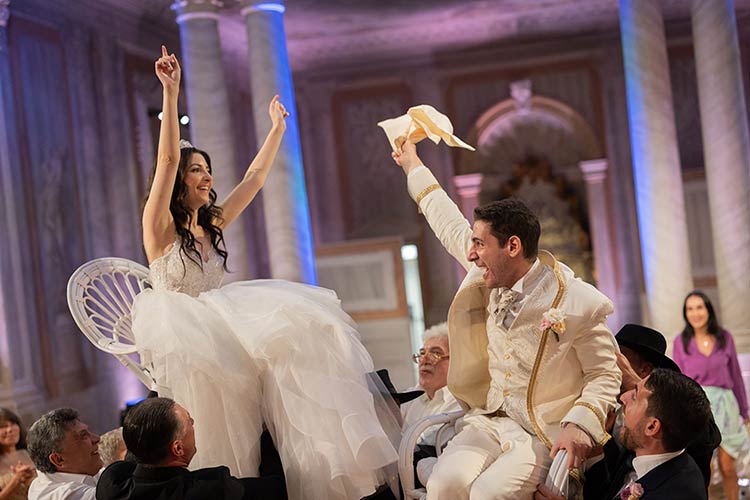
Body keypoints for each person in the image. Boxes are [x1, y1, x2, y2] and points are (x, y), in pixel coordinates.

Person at [130, 46, 399, 500]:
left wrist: (277, 129)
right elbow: (167, 161)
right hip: (184, 331)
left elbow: (254, 179)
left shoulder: (210, 224)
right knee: (217, 417)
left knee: (307, 330)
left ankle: (322, 466)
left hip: (219, 322)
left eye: (208, 170)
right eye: (198, 170)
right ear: (180, 182)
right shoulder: (158, 227)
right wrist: (171, 92)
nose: (207, 177)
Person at [390, 141, 621, 499]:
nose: (471, 253)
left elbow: (604, 373)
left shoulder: (578, 301)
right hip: (487, 419)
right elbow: (448, 221)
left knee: (487, 494)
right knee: (442, 484)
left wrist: (579, 424)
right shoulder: (483, 275)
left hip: (540, 431)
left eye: (480, 244)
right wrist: (412, 165)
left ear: (512, 247)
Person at [537, 368, 711, 500]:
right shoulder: (642, 452)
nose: (624, 397)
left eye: (635, 396)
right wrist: (597, 451)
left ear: (652, 427)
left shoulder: (677, 493)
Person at [95, 397, 286, 500]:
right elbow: (277, 487)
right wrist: (265, 427)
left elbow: (136, 451)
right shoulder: (211, 489)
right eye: (191, 422)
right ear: (178, 449)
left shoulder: (111, 486)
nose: (194, 424)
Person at [672, 290, 748, 500]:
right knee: (705, 469)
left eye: (699, 307)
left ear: (708, 310)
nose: (695, 313)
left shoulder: (725, 338)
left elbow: (736, 378)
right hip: (698, 408)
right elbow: (678, 381)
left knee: (728, 466)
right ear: (685, 313)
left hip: (727, 409)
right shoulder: (681, 342)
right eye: (690, 309)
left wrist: (745, 413)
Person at [401, 323, 461, 449]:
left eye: (435, 353)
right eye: (422, 353)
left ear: (456, 361)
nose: (423, 360)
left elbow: (427, 444)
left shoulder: (460, 401)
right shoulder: (411, 396)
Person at [26, 409, 102, 500]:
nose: (97, 438)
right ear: (58, 459)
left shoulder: (79, 469)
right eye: (83, 436)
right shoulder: (58, 495)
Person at [0, 408, 35, 500]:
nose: (10, 429)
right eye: (3, 427)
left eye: (12, 424)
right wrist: (16, 480)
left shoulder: (33, 452)